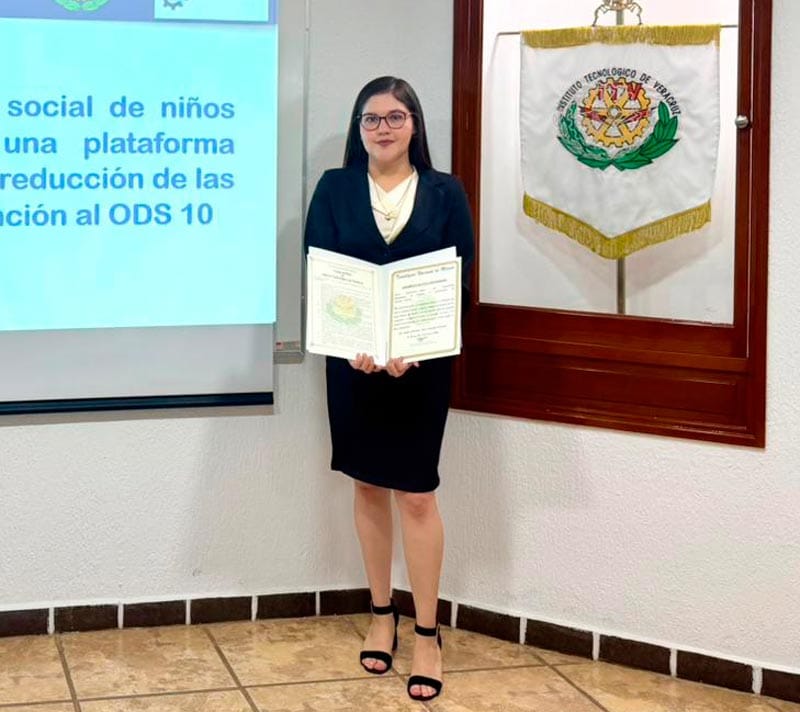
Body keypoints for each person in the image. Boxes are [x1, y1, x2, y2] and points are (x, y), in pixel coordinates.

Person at [304, 76, 474, 702]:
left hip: (420, 371)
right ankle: (382, 614)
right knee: (368, 486)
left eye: (395, 117)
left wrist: (417, 348)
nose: (383, 128)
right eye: (371, 118)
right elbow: (320, 269)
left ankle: (427, 632)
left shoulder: (446, 191)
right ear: (359, 128)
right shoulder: (335, 187)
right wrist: (352, 343)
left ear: (414, 125)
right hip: (353, 368)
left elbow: (460, 281)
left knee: (418, 497)